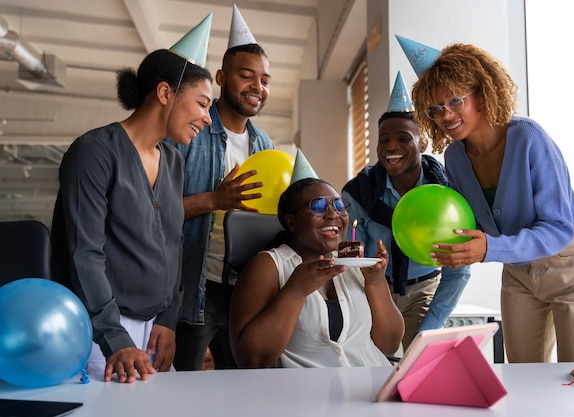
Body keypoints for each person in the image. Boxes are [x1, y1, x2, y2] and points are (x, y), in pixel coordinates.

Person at [411, 42, 574, 363]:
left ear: (482, 93)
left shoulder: (529, 138)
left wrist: (489, 249)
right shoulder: (455, 157)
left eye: (455, 100)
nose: (445, 114)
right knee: (524, 377)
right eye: (436, 108)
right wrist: (453, 245)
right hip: (519, 274)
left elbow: (559, 228)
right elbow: (474, 221)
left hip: (572, 268)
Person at [50, 14, 214, 383]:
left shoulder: (172, 160)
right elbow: (83, 252)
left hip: (154, 329)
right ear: (165, 93)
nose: (207, 118)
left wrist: (168, 319)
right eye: (202, 104)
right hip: (99, 329)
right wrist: (115, 338)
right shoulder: (94, 151)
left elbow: (173, 244)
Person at [170, 5, 274, 371]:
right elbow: (155, 210)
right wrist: (216, 199)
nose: (257, 87)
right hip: (193, 285)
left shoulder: (266, 145)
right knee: (180, 385)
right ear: (220, 77)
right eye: (247, 76)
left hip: (247, 288)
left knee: (245, 386)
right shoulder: (190, 133)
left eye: (264, 80)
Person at [342, 71, 470, 351]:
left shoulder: (446, 193)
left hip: (425, 289)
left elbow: (458, 270)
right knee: (373, 363)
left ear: (422, 143)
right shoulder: (357, 193)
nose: (390, 147)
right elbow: (351, 258)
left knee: (416, 363)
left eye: (403, 138)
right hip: (373, 287)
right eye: (383, 139)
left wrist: (430, 325)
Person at [229, 178, 404, 368]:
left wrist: (376, 283)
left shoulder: (355, 263)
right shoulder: (270, 266)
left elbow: (389, 345)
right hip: (309, 394)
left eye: (338, 205)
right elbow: (251, 359)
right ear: (291, 222)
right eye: (318, 206)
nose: (332, 214)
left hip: (375, 386)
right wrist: (295, 291)